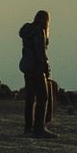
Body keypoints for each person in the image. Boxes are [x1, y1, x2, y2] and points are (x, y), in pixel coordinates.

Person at [18, 10, 56, 138]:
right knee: (43, 97)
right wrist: (46, 66)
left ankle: (28, 127)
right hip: (37, 68)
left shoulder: (27, 30)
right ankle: (39, 128)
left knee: (30, 98)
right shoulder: (39, 31)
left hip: (28, 67)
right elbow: (40, 52)